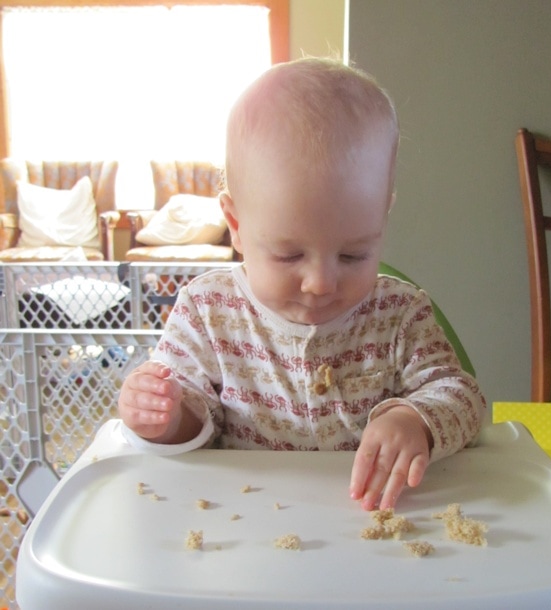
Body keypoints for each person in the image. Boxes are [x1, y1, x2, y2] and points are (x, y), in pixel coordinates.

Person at [118, 57, 486, 512]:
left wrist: (415, 419)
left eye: (353, 255)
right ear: (235, 224)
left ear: (381, 219)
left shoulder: (400, 315)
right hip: (243, 522)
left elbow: (463, 397)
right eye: (289, 255)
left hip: (373, 529)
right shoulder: (206, 310)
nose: (320, 283)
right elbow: (195, 417)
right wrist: (166, 416)